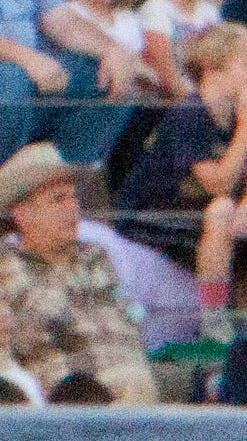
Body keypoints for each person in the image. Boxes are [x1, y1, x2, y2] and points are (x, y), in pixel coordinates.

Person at [0, 141, 152, 403]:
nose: (72, 208)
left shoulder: (95, 257)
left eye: (74, 197)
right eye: (58, 199)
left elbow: (131, 318)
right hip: (74, 402)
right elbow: (35, 331)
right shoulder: (8, 268)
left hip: (139, 393)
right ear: (23, 214)